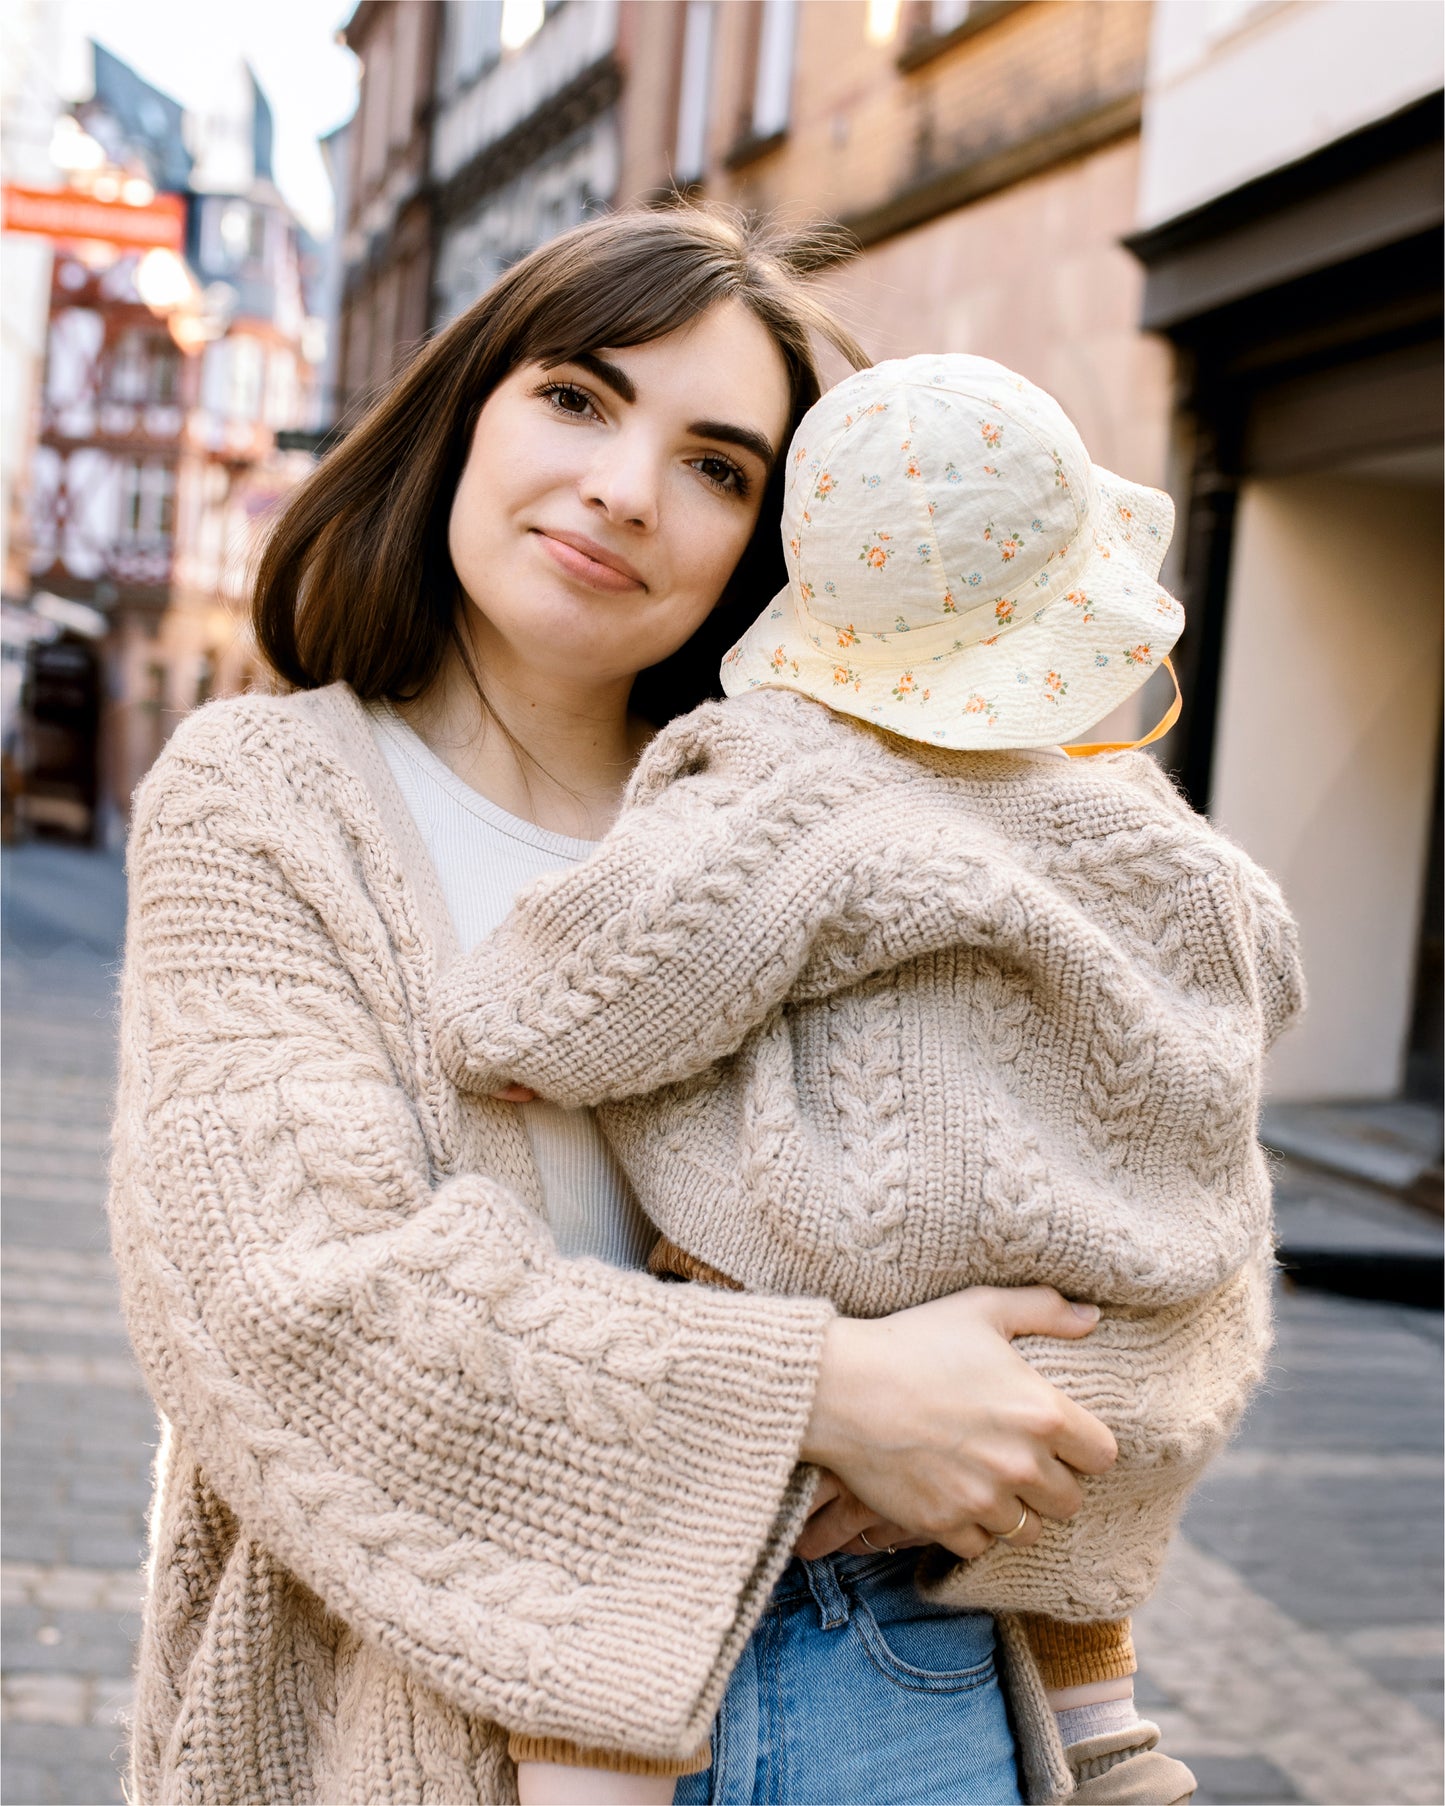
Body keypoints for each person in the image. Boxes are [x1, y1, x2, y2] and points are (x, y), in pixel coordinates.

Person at [108, 211, 1125, 1806]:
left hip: (885, 1671)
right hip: (427, 1702)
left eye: (720, 468)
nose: (627, 489)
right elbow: (297, 1300)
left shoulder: (831, 815)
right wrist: (834, 1392)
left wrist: (1027, 1395)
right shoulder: (263, 801)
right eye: (577, 398)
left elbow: (1104, 1218)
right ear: (465, 413)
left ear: (772, 546)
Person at [432, 356, 1307, 1804]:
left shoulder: (795, 787)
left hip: (834, 1277)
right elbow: (1260, 967)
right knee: (1071, 1540)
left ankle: (596, 1766)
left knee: (632, 1550)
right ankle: (1100, 1726)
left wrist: (498, 1030)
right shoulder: (1151, 829)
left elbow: (591, 987)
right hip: (1088, 1303)